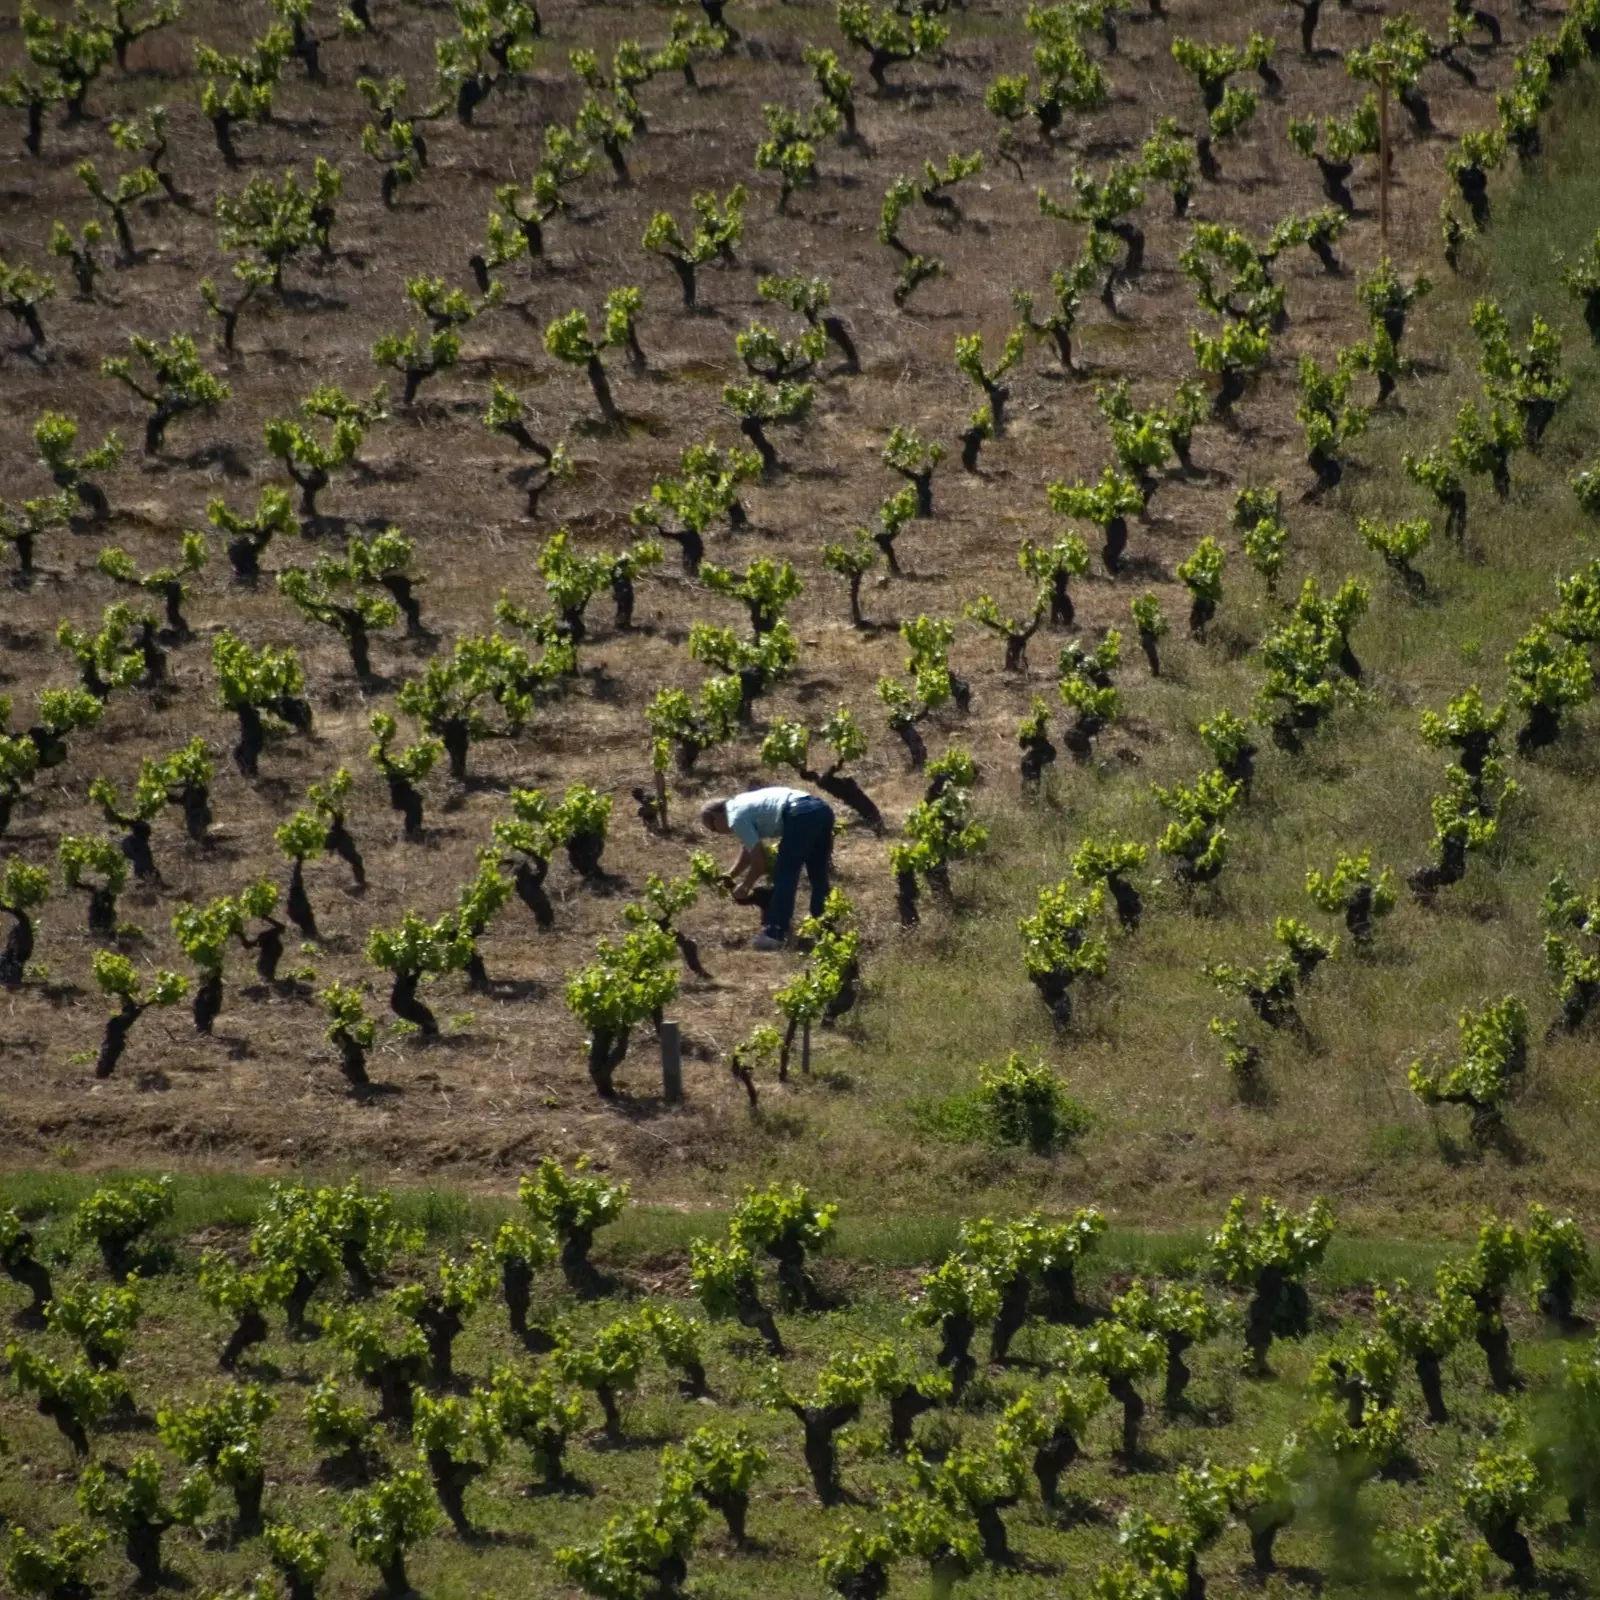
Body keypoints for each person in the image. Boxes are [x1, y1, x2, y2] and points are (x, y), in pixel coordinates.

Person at [701, 786, 834, 951]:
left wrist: (745, 886)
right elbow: (748, 851)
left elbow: (759, 861)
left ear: (716, 815)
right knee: (818, 875)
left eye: (713, 828)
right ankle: (825, 926)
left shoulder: (735, 817)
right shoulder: (741, 804)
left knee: (785, 873)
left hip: (800, 815)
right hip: (821, 810)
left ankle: (775, 934)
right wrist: (731, 875)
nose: (717, 833)